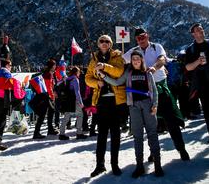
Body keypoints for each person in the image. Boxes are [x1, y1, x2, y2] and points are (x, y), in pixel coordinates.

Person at [123, 27, 190, 161]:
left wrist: (155, 67)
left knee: (171, 121)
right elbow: (120, 61)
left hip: (160, 89)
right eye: (138, 38)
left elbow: (162, 59)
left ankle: (181, 149)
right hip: (145, 93)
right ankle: (154, 153)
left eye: (143, 36)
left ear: (147, 36)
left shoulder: (156, 47)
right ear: (136, 39)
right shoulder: (133, 52)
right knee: (150, 126)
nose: (141, 39)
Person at [98, 50, 163, 178]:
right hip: (133, 106)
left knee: (152, 134)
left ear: (142, 60)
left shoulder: (148, 73)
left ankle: (158, 165)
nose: (136, 61)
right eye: (133, 59)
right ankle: (139, 166)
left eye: (138, 59)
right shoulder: (128, 73)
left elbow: (154, 91)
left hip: (148, 105)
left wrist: (155, 105)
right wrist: (103, 76)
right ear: (131, 61)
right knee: (137, 136)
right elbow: (117, 82)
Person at [85, 34, 126, 177]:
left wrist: (104, 67)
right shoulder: (93, 60)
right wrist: (97, 83)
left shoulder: (117, 57)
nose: (103, 43)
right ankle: (100, 165)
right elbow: (87, 78)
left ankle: (115, 164)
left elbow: (119, 71)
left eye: (106, 41)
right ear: (98, 44)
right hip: (101, 101)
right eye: (101, 41)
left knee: (116, 134)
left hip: (116, 100)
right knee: (101, 134)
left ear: (110, 44)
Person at [185, 23, 209, 149]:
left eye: (201, 29)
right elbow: (188, 67)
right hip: (203, 87)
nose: (201, 31)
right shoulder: (191, 49)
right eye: (198, 30)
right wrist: (197, 62)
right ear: (193, 34)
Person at [31, 59, 59, 139]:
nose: (55, 66)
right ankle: (36, 133)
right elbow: (48, 87)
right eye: (54, 65)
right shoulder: (48, 74)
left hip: (45, 96)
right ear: (52, 66)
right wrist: (52, 96)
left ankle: (50, 129)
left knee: (50, 111)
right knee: (43, 115)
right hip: (46, 97)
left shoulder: (47, 73)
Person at [59, 66, 87, 140]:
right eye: (79, 72)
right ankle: (79, 133)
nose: (79, 73)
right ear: (76, 72)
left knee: (66, 117)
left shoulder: (68, 79)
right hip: (74, 100)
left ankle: (61, 134)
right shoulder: (75, 80)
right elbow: (77, 92)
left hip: (67, 100)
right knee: (80, 115)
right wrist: (81, 102)